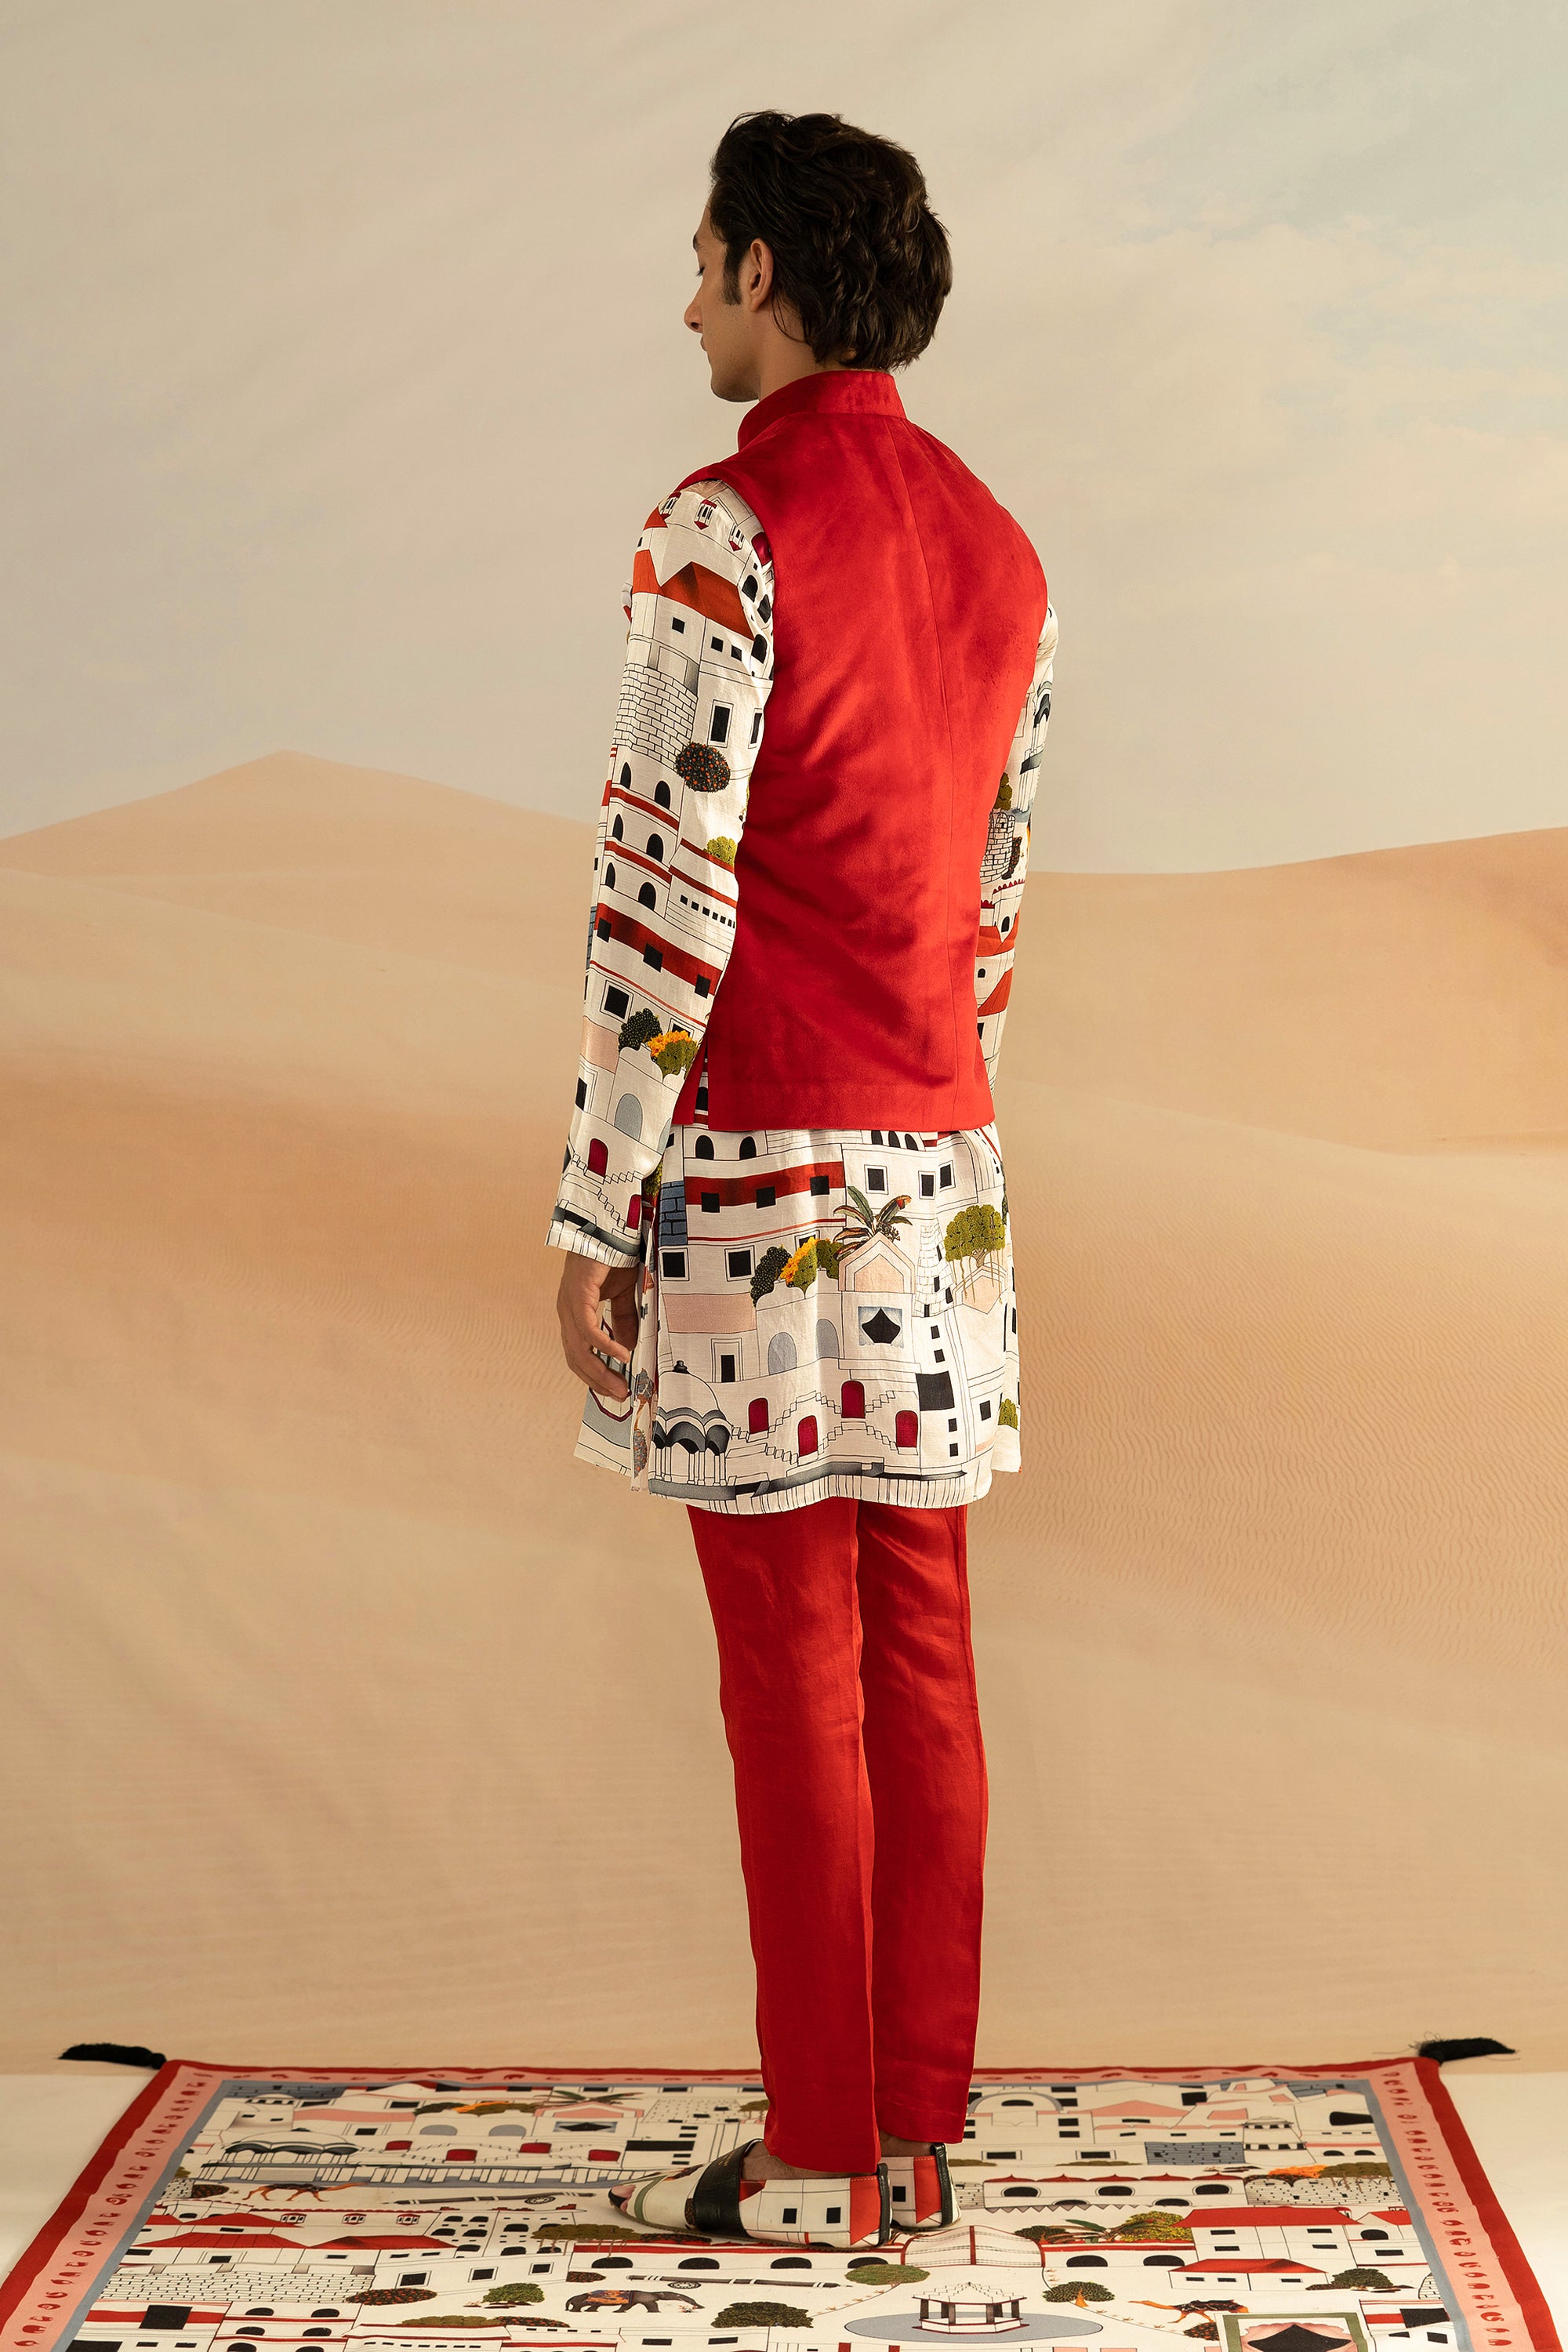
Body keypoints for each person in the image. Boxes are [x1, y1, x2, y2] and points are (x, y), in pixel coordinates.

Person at [548, 108, 1055, 2251]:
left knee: (792, 1672)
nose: (688, 302)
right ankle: (913, 2139)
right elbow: (993, 906)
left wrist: (598, 1201)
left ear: (766, 271)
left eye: (703, 261)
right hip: (943, 1169)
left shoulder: (720, 527)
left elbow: (659, 889)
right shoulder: (1008, 548)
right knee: (923, 1654)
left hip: (757, 1163)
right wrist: (938, 1093)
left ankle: (825, 2154)